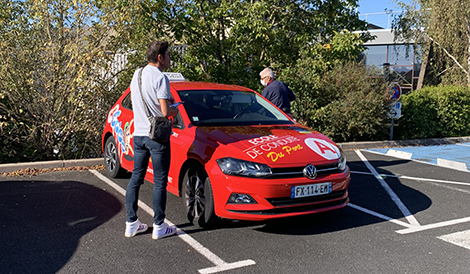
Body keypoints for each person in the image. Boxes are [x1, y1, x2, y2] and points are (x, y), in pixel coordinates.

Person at [125, 41, 179, 240]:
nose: (170, 59)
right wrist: (176, 109)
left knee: (136, 178)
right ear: (160, 57)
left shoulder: (137, 74)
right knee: (159, 181)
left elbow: (134, 101)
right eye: (168, 55)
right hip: (156, 137)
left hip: (139, 134)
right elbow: (165, 112)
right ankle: (159, 225)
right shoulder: (161, 78)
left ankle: (131, 223)